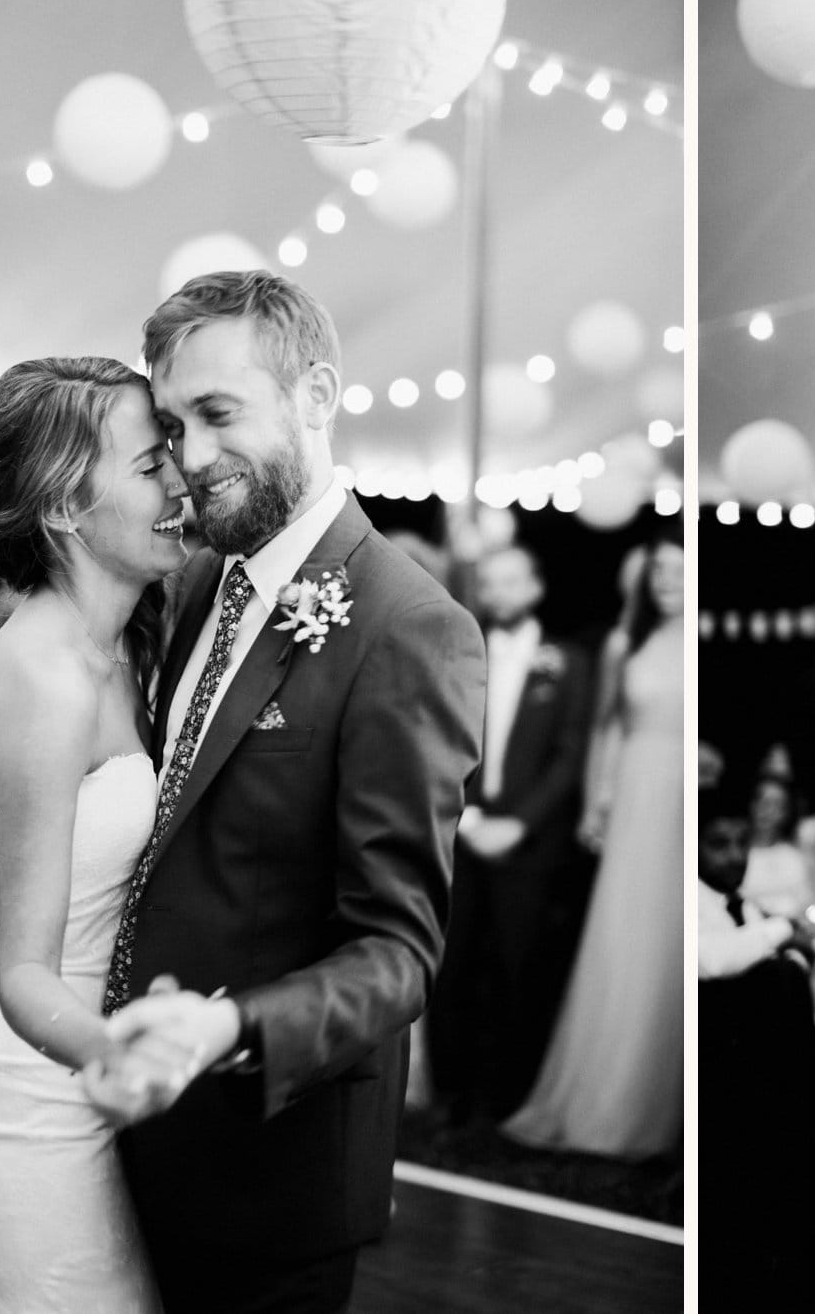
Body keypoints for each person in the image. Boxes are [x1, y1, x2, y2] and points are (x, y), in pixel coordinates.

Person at [80, 271, 486, 1314]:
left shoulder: (411, 628)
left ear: (315, 396)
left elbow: (397, 953)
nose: (193, 455)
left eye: (220, 413)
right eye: (173, 424)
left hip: (270, 1164)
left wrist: (228, 1031)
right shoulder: (196, 583)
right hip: (126, 1134)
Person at [0, 356, 189, 1312]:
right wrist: (132, 1059)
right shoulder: (42, 676)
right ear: (68, 506)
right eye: (151, 464)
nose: (179, 483)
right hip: (26, 1086)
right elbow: (22, 971)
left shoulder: (123, 644)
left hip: (82, 1067)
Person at [502, 530, 683, 1159]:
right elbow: (605, 726)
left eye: (676, 568)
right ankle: (603, 1096)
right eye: (657, 570)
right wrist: (599, 802)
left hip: (679, 796)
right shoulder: (623, 641)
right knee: (623, 935)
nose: (665, 580)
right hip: (635, 793)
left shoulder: (696, 644)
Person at [429, 544, 594, 1122]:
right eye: (491, 582)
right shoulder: (458, 649)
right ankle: (450, 1091)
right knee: (450, 964)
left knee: (516, 967)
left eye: (512, 581)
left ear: (535, 586)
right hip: (461, 828)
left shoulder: (568, 661)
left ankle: (501, 1095)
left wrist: (519, 824)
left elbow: (571, 755)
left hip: (531, 839)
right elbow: (438, 735)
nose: (501, 592)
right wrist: (468, 817)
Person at [697, 804, 815, 1307]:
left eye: (741, 843)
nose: (735, 856)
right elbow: (714, 960)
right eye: (719, 843)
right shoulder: (695, 905)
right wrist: (784, 932)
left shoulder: (745, 908)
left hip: (767, 1069)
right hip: (724, 1073)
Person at [739, 772, 813, 918]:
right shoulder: (735, 854)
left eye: (777, 804)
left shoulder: (793, 856)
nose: (767, 811)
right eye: (762, 801)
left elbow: (804, 902)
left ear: (787, 812)